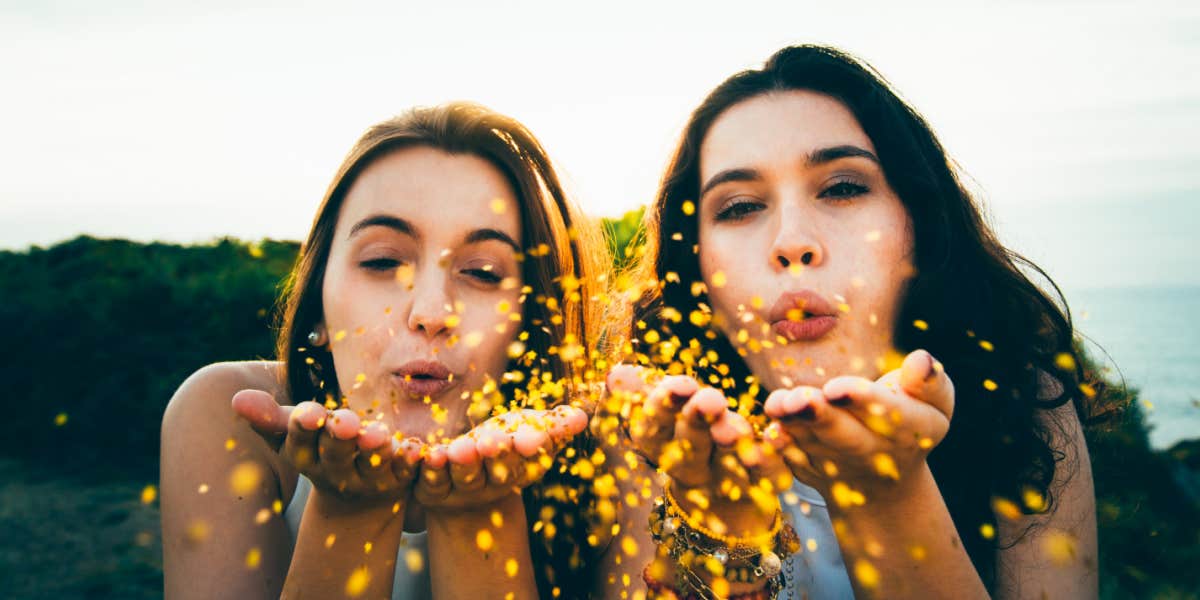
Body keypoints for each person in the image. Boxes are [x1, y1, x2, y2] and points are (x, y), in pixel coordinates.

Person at [597, 45, 1098, 599]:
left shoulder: (1021, 401)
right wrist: (724, 531)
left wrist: (888, 494)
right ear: (696, 267)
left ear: (919, 226)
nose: (792, 242)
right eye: (739, 206)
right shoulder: (657, 429)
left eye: (842, 188)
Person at [160, 102, 615, 599]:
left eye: (483, 272)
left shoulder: (598, 451)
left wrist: (476, 507)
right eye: (382, 262)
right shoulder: (228, 414)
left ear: (529, 321)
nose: (433, 312)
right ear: (317, 306)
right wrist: (350, 510)